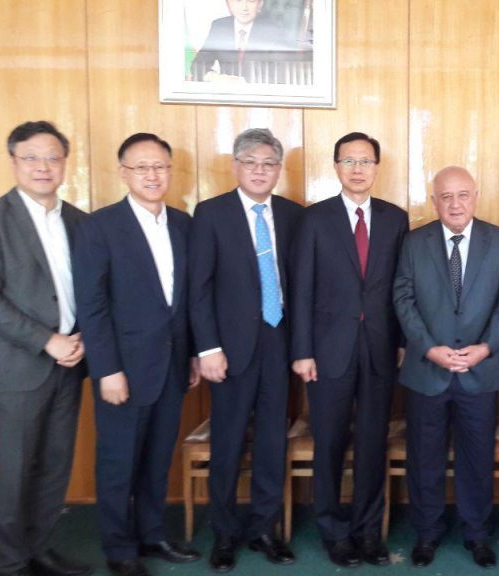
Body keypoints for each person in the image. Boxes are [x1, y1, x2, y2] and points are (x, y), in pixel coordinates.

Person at [0, 121, 91, 576]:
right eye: (31, 157)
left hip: (71, 363)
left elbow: (90, 290)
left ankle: (39, 550)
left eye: (53, 157)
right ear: (13, 161)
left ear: (65, 163)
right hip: (14, 367)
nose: (43, 166)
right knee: (15, 469)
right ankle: (13, 563)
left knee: (55, 464)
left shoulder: (79, 221)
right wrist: (46, 340)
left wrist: (82, 337)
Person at [73, 133, 202, 576]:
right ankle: (120, 548)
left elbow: (186, 301)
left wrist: (191, 355)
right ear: (123, 172)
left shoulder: (184, 224)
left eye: (160, 166)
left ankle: (152, 534)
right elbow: (92, 305)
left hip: (172, 366)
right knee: (118, 462)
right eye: (141, 167)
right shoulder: (99, 227)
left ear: (170, 171)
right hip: (123, 370)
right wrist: (106, 369)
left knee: (157, 458)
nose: (152, 175)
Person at [289, 132, 409, 568]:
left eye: (366, 161)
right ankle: (333, 531)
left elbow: (403, 287)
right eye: (349, 161)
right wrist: (302, 351)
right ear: (336, 166)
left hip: (380, 349)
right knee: (330, 445)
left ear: (377, 167)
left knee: (373, 444)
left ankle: (368, 532)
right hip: (327, 352)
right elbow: (301, 289)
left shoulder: (396, 219)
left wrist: (402, 342)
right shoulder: (315, 219)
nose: (358, 169)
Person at [392, 166, 499, 569]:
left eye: (463, 194)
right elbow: (403, 298)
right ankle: (427, 533)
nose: (455, 204)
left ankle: (476, 534)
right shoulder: (415, 242)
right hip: (427, 370)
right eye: (446, 196)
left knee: (477, 457)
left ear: (475, 196)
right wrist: (429, 348)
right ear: (434, 201)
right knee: (424, 457)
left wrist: (486, 347)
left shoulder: (498, 240)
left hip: (479, 370)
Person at [189, 127, 303, 572]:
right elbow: (199, 288)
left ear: (279, 169)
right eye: (251, 162)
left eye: (269, 163)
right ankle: (224, 533)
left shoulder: (293, 215)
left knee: (273, 440)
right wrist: (208, 348)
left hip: (279, 341)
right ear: (235, 166)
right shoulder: (211, 213)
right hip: (229, 348)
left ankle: (263, 528)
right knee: (229, 440)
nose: (260, 171)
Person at [190, 0, 300, 83]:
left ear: (260, 4)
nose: (244, 8)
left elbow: (281, 74)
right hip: (226, 95)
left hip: (258, 96)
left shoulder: (273, 30)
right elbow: (197, 66)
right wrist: (214, 77)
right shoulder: (220, 26)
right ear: (229, 3)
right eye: (238, 0)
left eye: (251, 1)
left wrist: (243, 82)